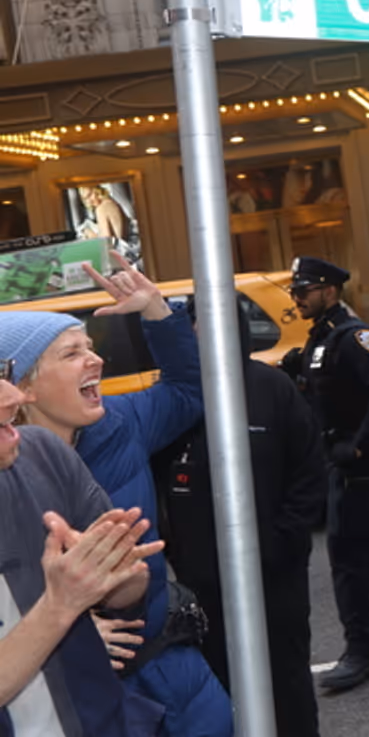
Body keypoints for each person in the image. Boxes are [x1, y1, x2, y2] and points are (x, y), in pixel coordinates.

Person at [4, 252, 233, 736]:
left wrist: (156, 311)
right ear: (23, 386)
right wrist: (75, 642)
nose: (97, 359)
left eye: (90, 346)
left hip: (171, 663)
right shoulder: (11, 473)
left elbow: (194, 390)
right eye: (71, 354)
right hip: (83, 697)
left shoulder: (121, 424)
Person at [155, 296, 324, 736]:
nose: (204, 333)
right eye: (196, 324)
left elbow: (308, 474)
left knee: (286, 683)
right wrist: (178, 550)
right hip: (202, 583)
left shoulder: (272, 388)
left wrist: (280, 543)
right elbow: (155, 482)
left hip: (274, 576)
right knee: (218, 689)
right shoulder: (176, 397)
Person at [0, 365, 167, 736]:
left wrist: (116, 572)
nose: (15, 396)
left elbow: (128, 595)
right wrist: (62, 605)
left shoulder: (42, 452)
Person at [282, 256, 369, 693]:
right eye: (295, 291)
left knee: (345, 552)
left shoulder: (354, 336)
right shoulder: (322, 336)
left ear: (330, 290)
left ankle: (364, 648)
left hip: (358, 459)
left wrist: (359, 442)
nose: (297, 298)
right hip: (341, 455)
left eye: (304, 290)